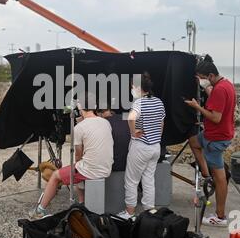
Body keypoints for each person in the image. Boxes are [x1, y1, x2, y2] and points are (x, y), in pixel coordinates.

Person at [29, 93, 114, 219]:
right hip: (106, 168)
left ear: (79, 107)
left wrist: (79, 125)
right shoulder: (105, 123)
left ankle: (39, 210)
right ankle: (81, 203)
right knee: (78, 168)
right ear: (95, 106)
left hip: (91, 170)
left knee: (55, 176)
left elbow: (78, 155)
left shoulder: (79, 127)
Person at [185, 54, 236, 227]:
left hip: (216, 139)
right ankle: (206, 174)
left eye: (201, 78)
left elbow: (215, 117)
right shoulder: (226, 84)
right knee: (193, 141)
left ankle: (220, 216)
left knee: (220, 178)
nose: (200, 82)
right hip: (211, 135)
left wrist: (197, 107)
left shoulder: (220, 90)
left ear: (211, 76)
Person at [117, 72, 166, 220]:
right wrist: (156, 137)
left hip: (141, 146)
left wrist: (134, 132)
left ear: (138, 87)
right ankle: (149, 211)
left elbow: (132, 117)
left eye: (132, 86)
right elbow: (161, 122)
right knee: (149, 179)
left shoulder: (138, 103)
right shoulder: (158, 101)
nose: (131, 89)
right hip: (155, 147)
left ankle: (130, 213)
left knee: (131, 180)